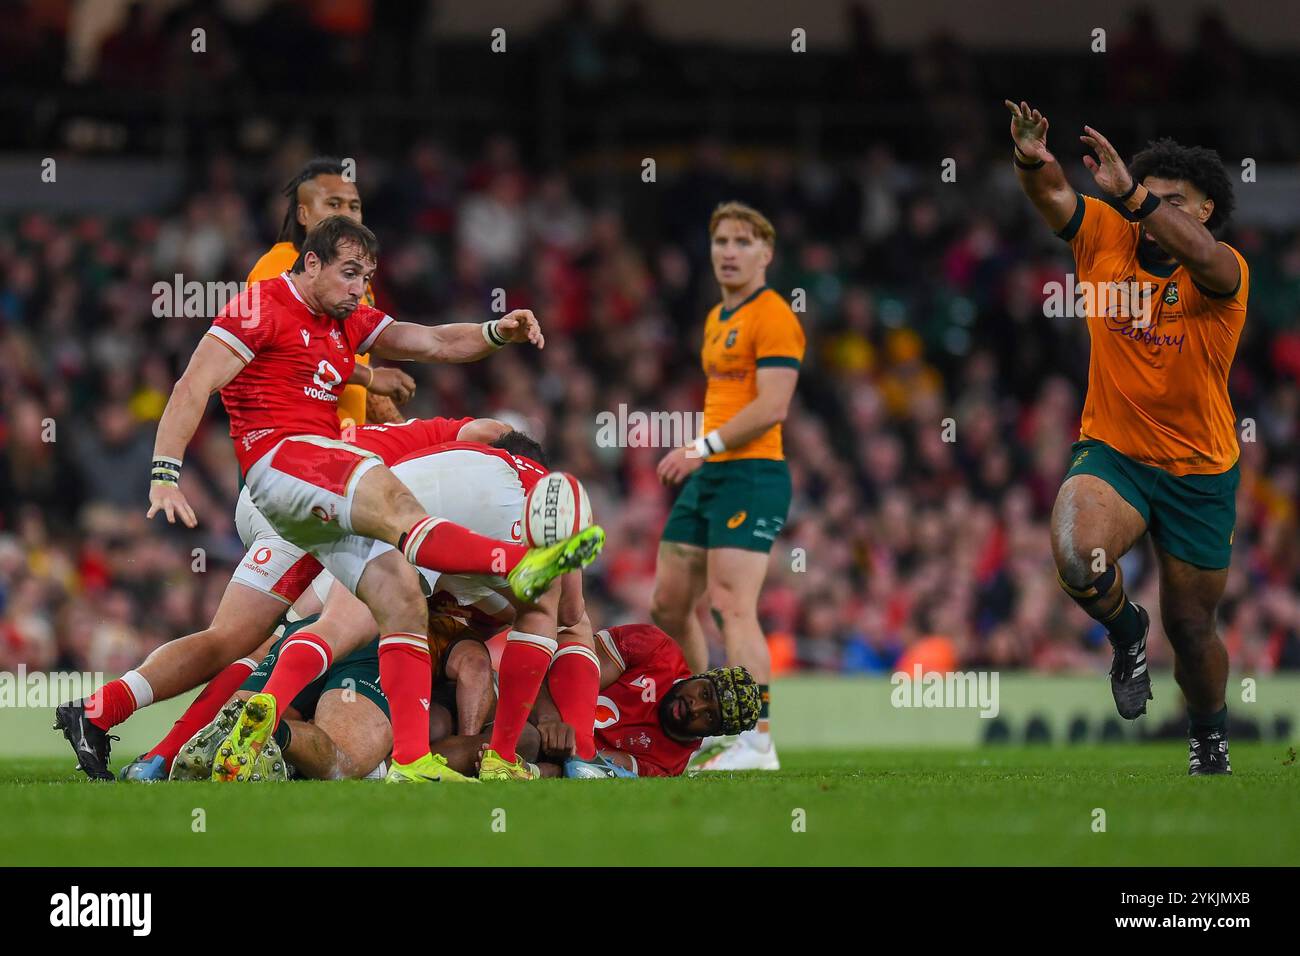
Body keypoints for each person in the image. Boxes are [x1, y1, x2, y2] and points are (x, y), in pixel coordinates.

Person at [57, 215, 604, 786]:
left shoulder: (347, 321)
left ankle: (103, 716)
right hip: (284, 461)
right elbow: (193, 384)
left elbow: (434, 340)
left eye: (365, 276)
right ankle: (521, 564)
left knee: (391, 600)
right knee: (399, 511)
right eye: (348, 273)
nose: (356, 288)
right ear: (310, 263)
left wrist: (498, 332)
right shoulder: (259, 306)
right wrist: (165, 473)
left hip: (313, 498)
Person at [1006, 100, 1247, 775]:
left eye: (1176, 200)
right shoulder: (1106, 235)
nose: (1153, 210)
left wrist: (1139, 197)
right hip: (1115, 452)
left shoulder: (1223, 270)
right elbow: (1053, 192)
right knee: (1077, 557)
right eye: (1151, 194)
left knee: (1194, 627)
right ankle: (1125, 632)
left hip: (1200, 470)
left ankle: (1208, 735)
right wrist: (1031, 158)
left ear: (1201, 211)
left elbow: (1205, 256)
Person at [650, 201, 803, 771]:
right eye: (721, 242)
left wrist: (702, 447)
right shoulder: (718, 318)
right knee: (668, 602)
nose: (729, 252)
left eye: (742, 242)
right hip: (712, 473)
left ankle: (758, 739)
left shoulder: (774, 315)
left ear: (766, 253)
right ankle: (713, 717)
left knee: (732, 605)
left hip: (752, 472)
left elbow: (773, 405)